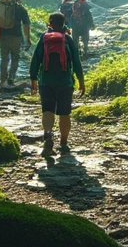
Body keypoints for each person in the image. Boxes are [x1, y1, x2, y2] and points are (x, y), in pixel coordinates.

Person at [29, 12, 85, 158]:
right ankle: (64, 143)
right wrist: (81, 81)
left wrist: (33, 78)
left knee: (47, 110)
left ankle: (48, 134)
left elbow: (36, 58)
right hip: (65, 82)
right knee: (64, 113)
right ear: (64, 22)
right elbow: (76, 61)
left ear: (50, 23)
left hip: (46, 81)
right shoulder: (68, 39)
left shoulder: (44, 38)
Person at [0, 0, 31, 89]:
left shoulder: (2, 6)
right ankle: (11, 79)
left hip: (3, 36)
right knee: (15, 57)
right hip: (16, 36)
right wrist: (28, 39)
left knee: (4, 58)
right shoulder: (20, 9)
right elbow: (26, 25)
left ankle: (3, 80)